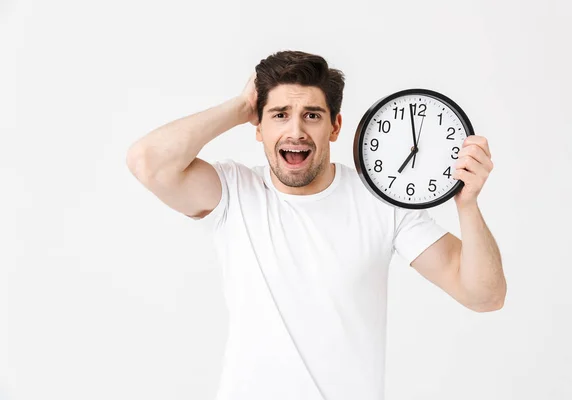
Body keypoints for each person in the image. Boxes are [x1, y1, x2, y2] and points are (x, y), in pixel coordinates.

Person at [126, 50, 506, 400]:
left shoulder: (382, 202)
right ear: (257, 127)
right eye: (279, 115)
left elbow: (485, 295)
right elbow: (147, 162)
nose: (296, 131)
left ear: (335, 126)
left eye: (311, 114)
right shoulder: (233, 193)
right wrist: (242, 105)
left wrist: (467, 204)